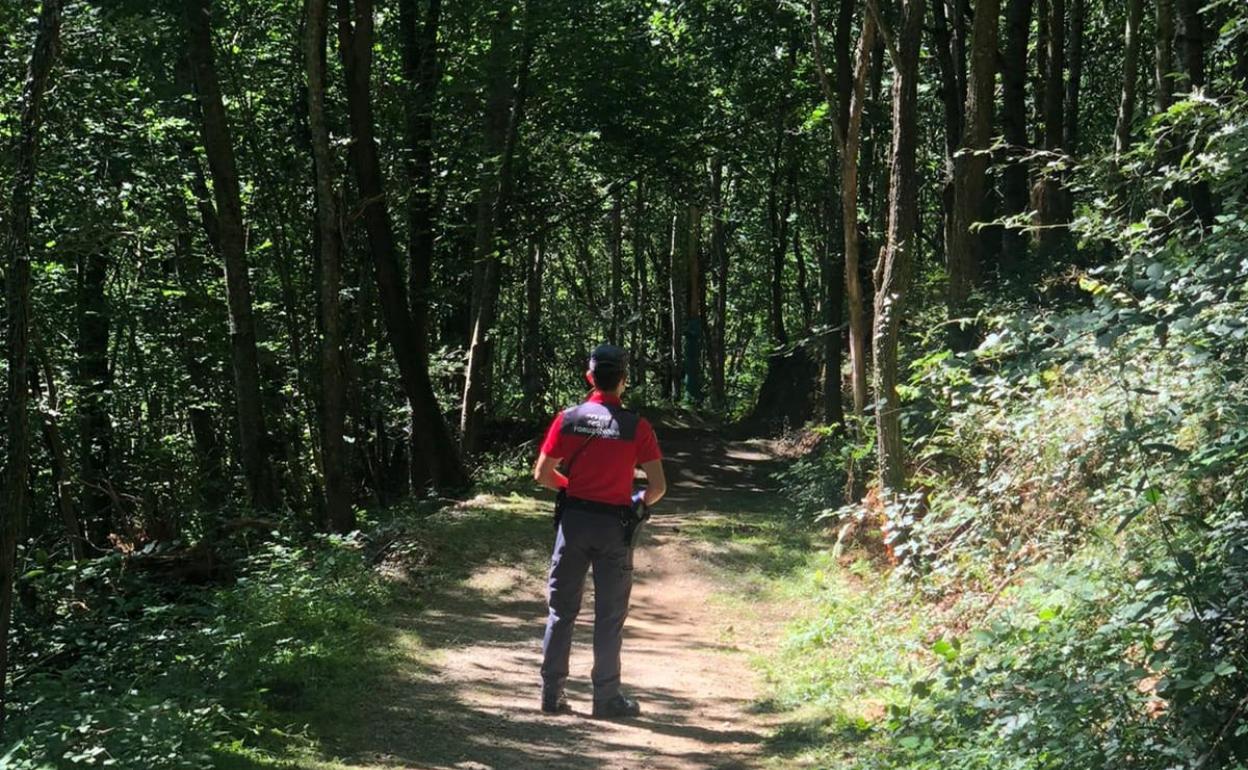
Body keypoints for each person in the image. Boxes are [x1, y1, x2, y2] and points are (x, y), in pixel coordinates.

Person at [532, 343, 667, 718]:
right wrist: (636, 502)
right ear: (623, 381)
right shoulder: (637, 427)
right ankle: (606, 698)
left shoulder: (569, 418)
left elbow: (542, 474)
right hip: (615, 527)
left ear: (590, 377)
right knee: (609, 615)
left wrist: (572, 488)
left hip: (573, 523)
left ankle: (551, 694)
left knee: (561, 611)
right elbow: (658, 487)